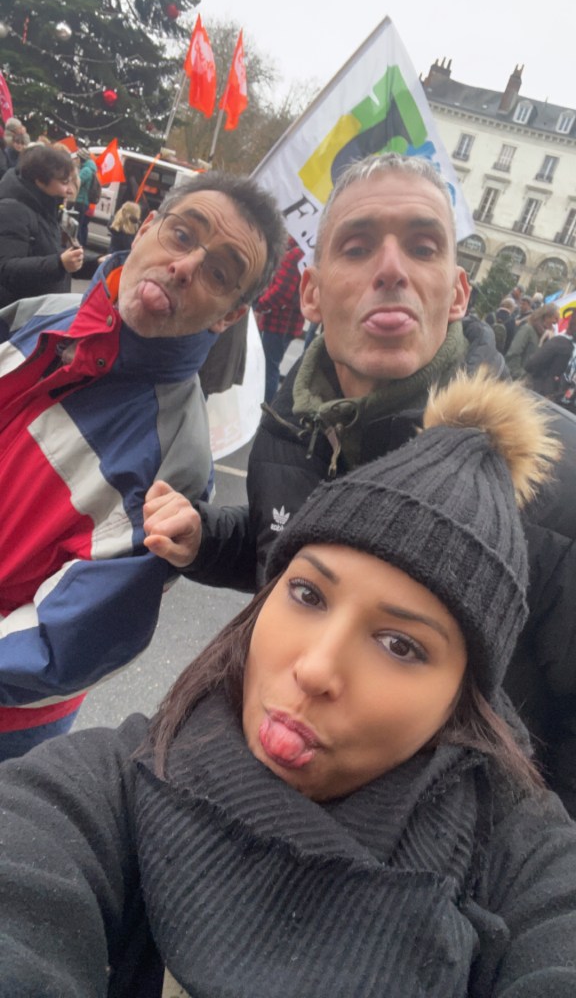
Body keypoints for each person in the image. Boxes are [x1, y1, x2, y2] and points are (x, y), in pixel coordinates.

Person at [2, 370, 576, 997]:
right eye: (307, 594)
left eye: (400, 645)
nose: (315, 669)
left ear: (464, 698)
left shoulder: (521, 855)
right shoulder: (114, 780)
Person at [143, 152, 576, 817]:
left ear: (458, 292)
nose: (392, 269)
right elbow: (280, 549)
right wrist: (205, 537)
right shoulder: (293, 417)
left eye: (423, 247)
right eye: (357, 246)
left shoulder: (557, 475)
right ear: (311, 293)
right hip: (268, 793)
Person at [0, 170, 285, 759]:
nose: (184, 266)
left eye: (219, 273)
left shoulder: (176, 463)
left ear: (228, 316)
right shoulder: (41, 314)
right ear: (147, 227)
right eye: (182, 234)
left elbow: (65, 642)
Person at [0, 144, 84, 308]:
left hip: (38, 311)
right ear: (39, 180)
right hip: (18, 316)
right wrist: (59, 264)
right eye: (64, 182)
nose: (69, 190)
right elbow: (6, 269)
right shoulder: (12, 209)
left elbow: (49, 253)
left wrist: (94, 262)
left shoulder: (45, 207)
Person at [253, 235, 305, 402]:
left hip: (279, 322)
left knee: (268, 368)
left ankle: (264, 407)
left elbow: (282, 291)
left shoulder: (295, 254)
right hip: (287, 322)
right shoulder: (298, 252)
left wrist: (261, 306)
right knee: (269, 365)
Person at [525, 310, 576, 399]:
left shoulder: (560, 342)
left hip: (541, 394)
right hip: (564, 401)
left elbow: (531, 364)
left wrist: (542, 344)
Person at [505, 303, 559, 380]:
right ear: (546, 317)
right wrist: (521, 376)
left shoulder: (547, 337)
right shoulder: (528, 329)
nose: (554, 326)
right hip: (518, 380)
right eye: (553, 322)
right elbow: (513, 354)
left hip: (534, 382)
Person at [74, 146, 98, 246]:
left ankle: (79, 246)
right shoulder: (89, 169)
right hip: (84, 202)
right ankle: (81, 245)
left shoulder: (86, 170)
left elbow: (76, 182)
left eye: (77, 158)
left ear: (80, 158)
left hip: (81, 201)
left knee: (77, 227)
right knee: (80, 226)